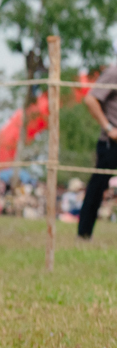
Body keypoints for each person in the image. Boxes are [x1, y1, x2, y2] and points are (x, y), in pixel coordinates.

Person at [78, 64, 117, 240]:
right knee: (97, 187)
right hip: (111, 143)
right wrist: (109, 128)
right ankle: (84, 234)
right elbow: (90, 99)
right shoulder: (114, 72)